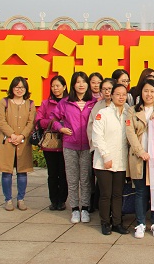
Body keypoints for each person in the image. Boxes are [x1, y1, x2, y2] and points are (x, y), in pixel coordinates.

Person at [126, 79, 154, 238]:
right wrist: (140, 152)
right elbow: (130, 133)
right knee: (140, 191)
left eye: (152, 91)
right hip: (138, 157)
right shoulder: (132, 110)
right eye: (146, 91)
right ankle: (140, 223)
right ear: (141, 92)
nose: (149, 94)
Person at [51, 71, 97, 224]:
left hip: (87, 146)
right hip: (70, 145)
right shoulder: (65, 102)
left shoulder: (93, 103)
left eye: (84, 82)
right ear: (73, 85)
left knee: (85, 179)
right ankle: (75, 209)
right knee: (72, 178)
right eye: (78, 82)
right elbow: (53, 118)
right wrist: (61, 128)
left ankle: (85, 208)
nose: (81, 85)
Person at [91, 83, 130, 235]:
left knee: (117, 194)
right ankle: (105, 222)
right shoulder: (103, 113)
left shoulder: (128, 113)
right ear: (111, 95)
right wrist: (106, 156)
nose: (121, 97)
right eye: (118, 94)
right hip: (103, 161)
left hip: (121, 161)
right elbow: (97, 136)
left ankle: (117, 223)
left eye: (124, 94)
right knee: (106, 194)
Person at [0, 77, 36, 211]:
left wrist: (21, 136)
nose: (19, 90)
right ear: (12, 88)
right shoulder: (4, 102)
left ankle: (21, 199)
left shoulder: (30, 104)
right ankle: (8, 200)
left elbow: (31, 122)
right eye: (17, 87)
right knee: (7, 172)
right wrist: (12, 135)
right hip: (7, 142)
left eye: (22, 87)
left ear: (26, 89)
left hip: (23, 143)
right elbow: (1, 121)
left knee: (22, 172)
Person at [35, 75, 68, 211]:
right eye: (53, 86)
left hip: (66, 143)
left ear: (64, 87)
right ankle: (53, 200)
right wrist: (53, 123)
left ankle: (62, 200)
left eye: (58, 86)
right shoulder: (45, 103)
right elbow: (38, 121)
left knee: (64, 173)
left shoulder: (68, 102)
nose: (55, 88)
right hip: (50, 144)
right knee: (52, 174)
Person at [87, 78, 118, 212]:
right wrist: (95, 147)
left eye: (109, 89)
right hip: (101, 150)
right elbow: (91, 127)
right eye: (104, 89)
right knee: (102, 183)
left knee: (116, 186)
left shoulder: (123, 106)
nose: (107, 92)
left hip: (118, 150)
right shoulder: (98, 106)